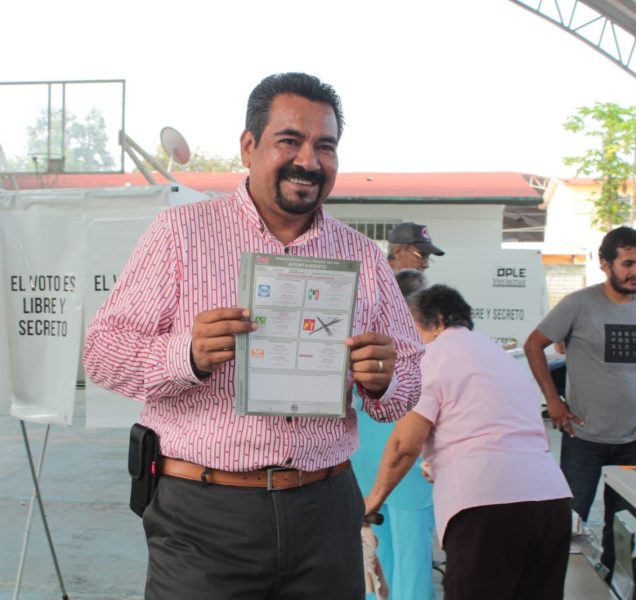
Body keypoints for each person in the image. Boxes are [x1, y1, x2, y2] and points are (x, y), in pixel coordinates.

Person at [84, 72, 423, 600]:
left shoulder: (362, 257)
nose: (308, 161)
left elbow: (405, 386)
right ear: (249, 146)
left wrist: (384, 379)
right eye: (290, 140)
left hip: (325, 505)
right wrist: (187, 355)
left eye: (325, 146)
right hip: (204, 513)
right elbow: (101, 353)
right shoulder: (182, 235)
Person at [365, 284, 572, 600]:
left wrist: (373, 501)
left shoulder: (431, 356)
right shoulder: (496, 355)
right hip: (551, 501)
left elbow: (402, 446)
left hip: (486, 506)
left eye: (410, 327)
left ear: (437, 320)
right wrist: (442, 462)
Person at [524, 225, 636, 581]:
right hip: (583, 437)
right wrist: (553, 400)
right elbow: (533, 345)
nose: (635, 271)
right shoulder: (579, 304)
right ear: (605, 263)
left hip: (632, 441)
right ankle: (556, 585)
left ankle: (611, 585)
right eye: (628, 263)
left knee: (624, 528)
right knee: (569, 524)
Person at [351, 265, 434, 600]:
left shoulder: (365, 339)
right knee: (411, 557)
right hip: (405, 462)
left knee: (372, 553)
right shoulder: (424, 348)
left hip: (367, 461)